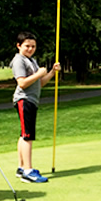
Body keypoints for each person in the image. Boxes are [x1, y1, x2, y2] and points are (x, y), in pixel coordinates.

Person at [10, 31, 60, 183]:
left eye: (33, 46)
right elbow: (22, 83)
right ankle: (28, 171)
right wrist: (38, 74)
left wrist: (51, 72)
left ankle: (21, 167)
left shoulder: (31, 60)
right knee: (28, 136)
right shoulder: (19, 61)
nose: (30, 49)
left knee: (24, 134)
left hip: (31, 100)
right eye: (27, 46)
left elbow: (39, 83)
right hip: (24, 100)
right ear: (19, 46)